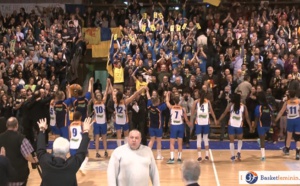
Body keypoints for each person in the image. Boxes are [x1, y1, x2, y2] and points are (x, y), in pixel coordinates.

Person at [36, 117, 93, 186]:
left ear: (53, 149)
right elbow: (81, 152)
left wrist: (42, 129)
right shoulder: (72, 164)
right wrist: (86, 131)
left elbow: (40, 149)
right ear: (67, 151)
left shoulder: (45, 161)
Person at [0, 117, 37, 186]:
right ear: (17, 125)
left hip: (3, 176)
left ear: (6, 125)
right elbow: (27, 156)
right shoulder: (22, 139)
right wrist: (34, 161)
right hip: (19, 176)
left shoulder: (0, 137)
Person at [218, 93, 253, 161]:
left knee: (231, 141)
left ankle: (233, 155)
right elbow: (247, 117)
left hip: (231, 125)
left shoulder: (231, 105)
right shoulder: (243, 106)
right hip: (239, 125)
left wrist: (219, 120)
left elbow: (224, 113)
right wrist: (250, 126)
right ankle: (239, 152)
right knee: (240, 139)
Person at [191, 90, 217, 162]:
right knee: (205, 138)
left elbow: (192, 112)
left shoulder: (196, 102)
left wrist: (190, 121)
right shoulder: (207, 101)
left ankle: (200, 156)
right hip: (205, 122)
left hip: (200, 122)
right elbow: (211, 111)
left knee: (199, 139)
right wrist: (215, 119)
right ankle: (206, 155)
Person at [165, 92, 191, 164]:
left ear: (173, 101)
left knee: (172, 143)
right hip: (181, 126)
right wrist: (189, 124)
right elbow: (186, 119)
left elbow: (167, 101)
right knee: (180, 143)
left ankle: (172, 158)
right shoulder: (183, 109)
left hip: (174, 126)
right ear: (179, 101)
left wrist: (167, 95)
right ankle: (179, 159)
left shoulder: (171, 107)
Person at [275, 89, 300, 160]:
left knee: (289, 135)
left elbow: (281, 112)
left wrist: (276, 119)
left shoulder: (287, 102)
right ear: (295, 94)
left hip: (290, 120)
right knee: (298, 137)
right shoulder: (298, 101)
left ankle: (287, 149)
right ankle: (298, 153)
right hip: (297, 119)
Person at [146, 88, 167, 160]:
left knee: (151, 140)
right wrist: (166, 95)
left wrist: (147, 91)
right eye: (158, 101)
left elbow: (148, 97)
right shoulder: (159, 108)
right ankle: (159, 155)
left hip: (151, 127)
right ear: (157, 102)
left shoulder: (149, 106)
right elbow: (166, 102)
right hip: (158, 127)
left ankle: (148, 155)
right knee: (159, 141)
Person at [253, 92, 273, 161]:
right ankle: (261, 141)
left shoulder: (258, 107)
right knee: (265, 138)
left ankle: (263, 156)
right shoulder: (270, 106)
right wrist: (273, 123)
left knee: (262, 141)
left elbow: (256, 118)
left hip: (261, 125)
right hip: (269, 125)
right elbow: (272, 115)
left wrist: (253, 127)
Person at [93, 79, 110, 158]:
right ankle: (97, 152)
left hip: (103, 122)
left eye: (100, 95)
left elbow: (106, 92)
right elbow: (91, 94)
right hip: (97, 122)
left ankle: (105, 151)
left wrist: (107, 84)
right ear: (96, 96)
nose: (99, 96)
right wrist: (91, 83)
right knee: (96, 138)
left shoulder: (103, 101)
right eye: (98, 95)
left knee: (104, 137)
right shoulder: (94, 102)